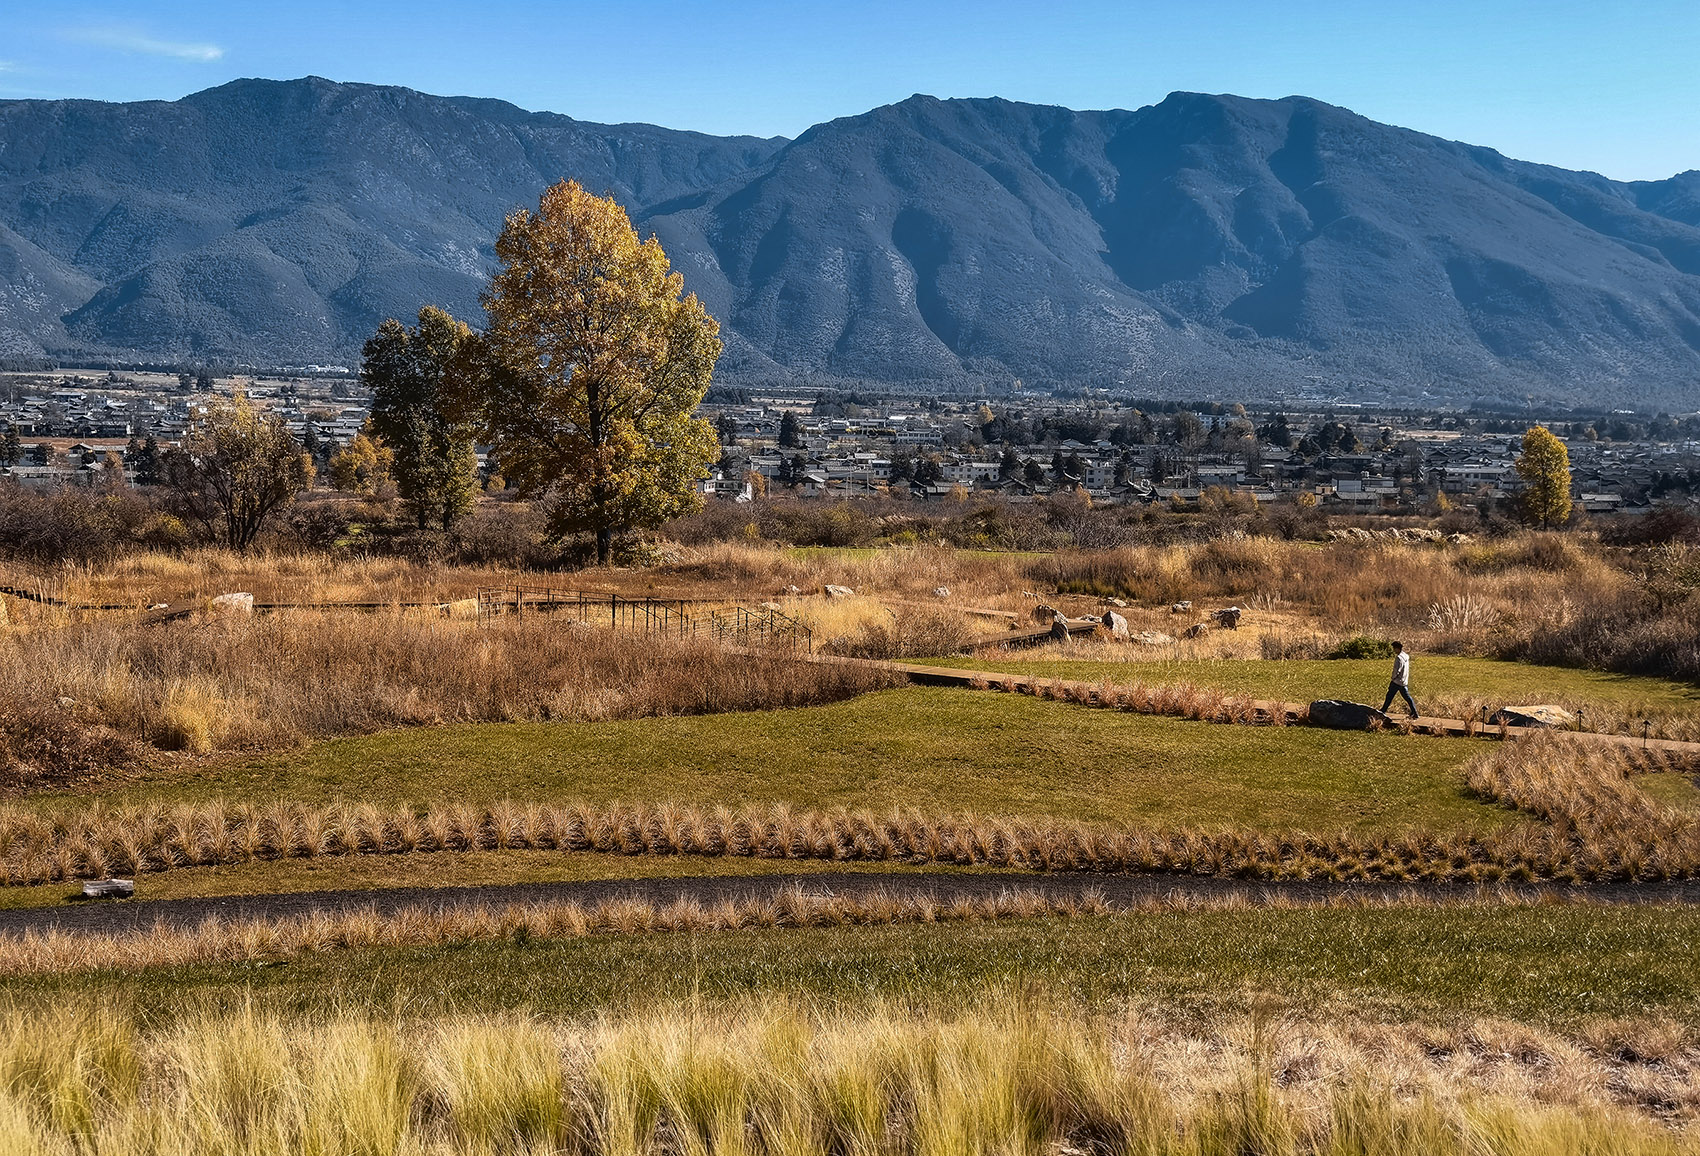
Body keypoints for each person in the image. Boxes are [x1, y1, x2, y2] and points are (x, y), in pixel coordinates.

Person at [1381, 641, 1418, 718]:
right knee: (1407, 697)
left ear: (1397, 648)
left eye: (1394, 648)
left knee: (1389, 696)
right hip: (1404, 680)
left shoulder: (1398, 658)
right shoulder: (1406, 656)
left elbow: (1396, 670)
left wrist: (1393, 677)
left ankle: (1383, 711)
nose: (1393, 650)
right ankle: (1415, 713)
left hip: (1397, 681)